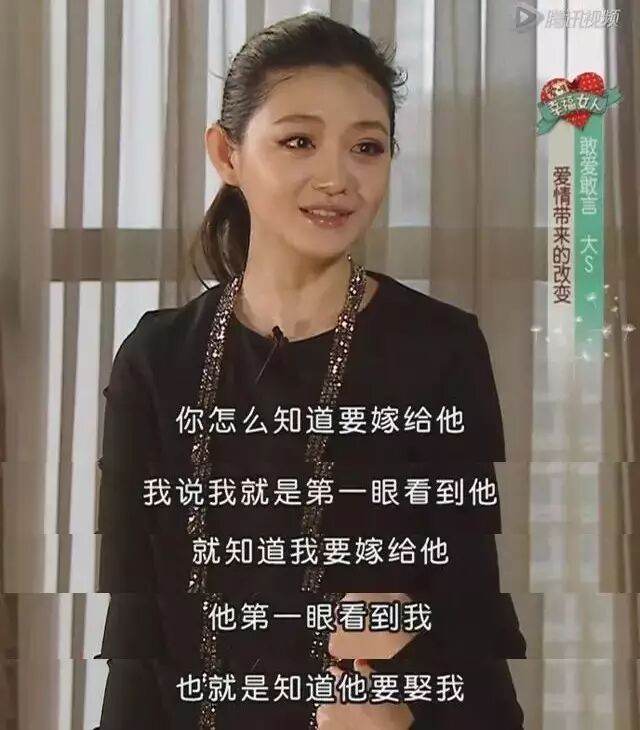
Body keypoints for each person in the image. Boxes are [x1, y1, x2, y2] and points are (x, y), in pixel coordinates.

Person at [96, 12, 526, 730]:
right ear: (227, 154)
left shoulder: (441, 350)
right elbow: (136, 634)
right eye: (298, 141)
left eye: (367, 147)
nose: (336, 178)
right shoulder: (156, 359)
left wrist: (399, 669)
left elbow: (472, 615)